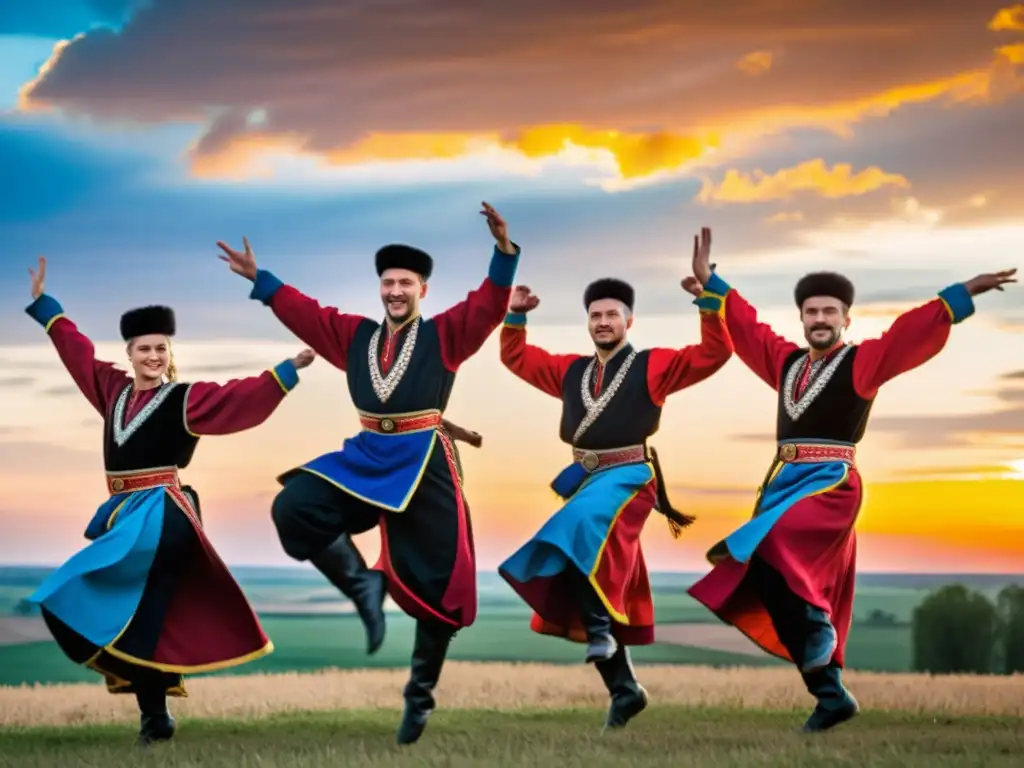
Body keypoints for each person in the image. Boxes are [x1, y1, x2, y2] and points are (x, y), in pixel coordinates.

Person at [682, 228, 1017, 732]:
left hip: (830, 485)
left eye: (829, 311)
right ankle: (830, 694)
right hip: (782, 484)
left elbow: (906, 334)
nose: (820, 319)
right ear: (801, 319)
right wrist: (713, 283)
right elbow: (749, 330)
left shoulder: (861, 362)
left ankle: (818, 626)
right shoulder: (787, 363)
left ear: (845, 318)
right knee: (768, 580)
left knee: (774, 540)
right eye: (811, 312)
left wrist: (961, 293)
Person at [215, 202, 520, 745]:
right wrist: (261, 279)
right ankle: (362, 584)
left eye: (405, 282)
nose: (395, 290)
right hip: (366, 458)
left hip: (424, 465)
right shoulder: (354, 336)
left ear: (423, 289)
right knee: (294, 506)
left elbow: (488, 307)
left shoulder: (446, 335)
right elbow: (306, 312)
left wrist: (501, 252)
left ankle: (419, 697)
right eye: (387, 282)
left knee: (442, 591)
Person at [22, 256, 315, 746]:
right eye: (144, 349)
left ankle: (153, 718)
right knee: (72, 600)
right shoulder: (111, 390)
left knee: (142, 613)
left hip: (163, 515)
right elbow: (77, 354)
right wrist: (47, 308)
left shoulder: (184, 399)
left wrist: (286, 371)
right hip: (124, 518)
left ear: (168, 352)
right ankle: (154, 714)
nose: (153, 355)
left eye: (161, 347)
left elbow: (235, 397)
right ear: (130, 353)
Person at [495, 255, 734, 730]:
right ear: (587, 322)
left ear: (629, 320)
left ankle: (599, 632)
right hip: (586, 482)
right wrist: (515, 315)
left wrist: (709, 299)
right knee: (582, 566)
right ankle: (624, 689)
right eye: (595, 315)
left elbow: (714, 354)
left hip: (629, 479)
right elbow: (517, 358)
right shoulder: (570, 371)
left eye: (611, 314)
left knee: (574, 529)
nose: (603, 322)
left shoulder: (653, 365)